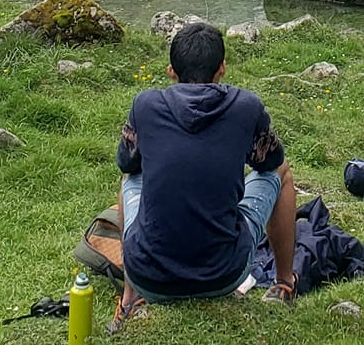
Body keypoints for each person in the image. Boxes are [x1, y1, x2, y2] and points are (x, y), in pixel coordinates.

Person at [114, 21, 297, 322]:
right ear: (222, 68)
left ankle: (129, 299)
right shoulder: (246, 106)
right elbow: (271, 160)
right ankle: (284, 284)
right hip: (224, 275)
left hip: (149, 277)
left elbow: (127, 163)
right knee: (282, 173)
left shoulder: (145, 105)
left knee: (130, 178)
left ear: (171, 71)